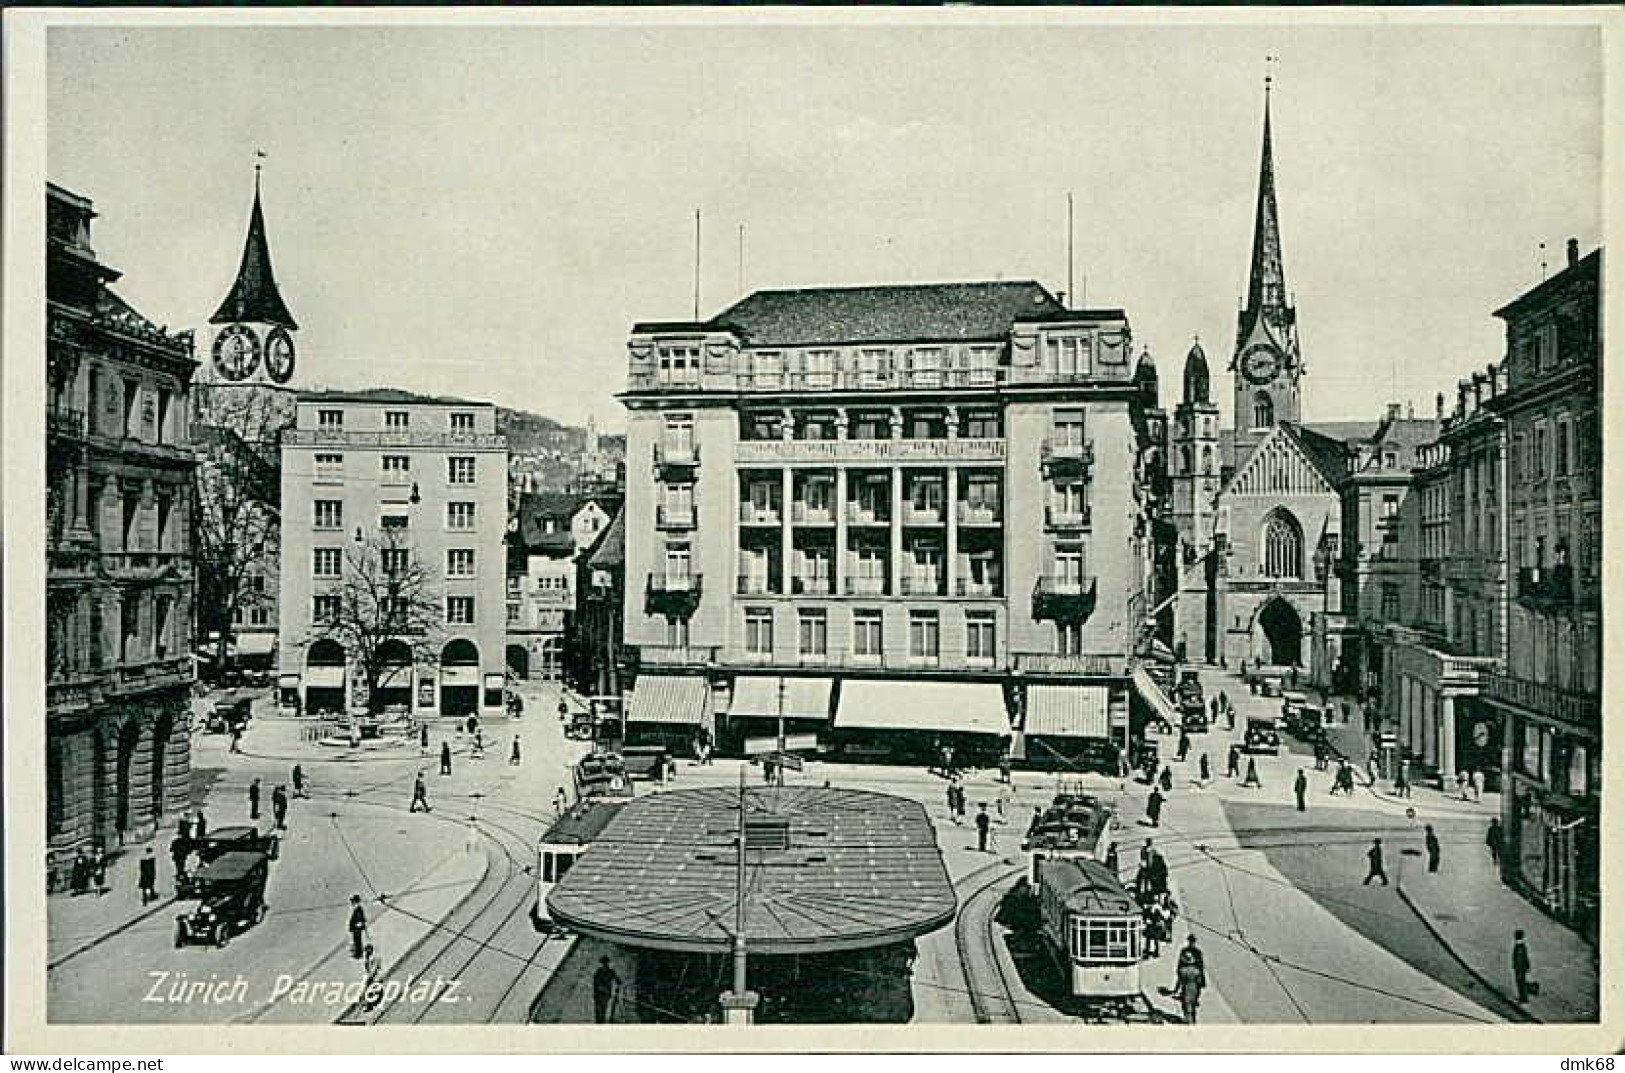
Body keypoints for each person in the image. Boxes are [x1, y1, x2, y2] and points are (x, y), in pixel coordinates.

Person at [1173, 935, 1207, 1024]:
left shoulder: (1184, 951)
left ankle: (1188, 1016)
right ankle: (1191, 1016)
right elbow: (1200, 964)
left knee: (1186, 997)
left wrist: (1179, 973)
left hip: (1186, 973)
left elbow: (1180, 963)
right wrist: (1201, 976)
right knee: (1193, 996)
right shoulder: (1197, 952)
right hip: (1194, 973)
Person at [592, 957, 622, 1024]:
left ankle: (600, 1022)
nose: (605, 965)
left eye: (606, 963)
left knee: (602, 1009)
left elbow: (618, 981)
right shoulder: (599, 972)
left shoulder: (610, 971)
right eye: (604, 963)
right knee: (599, 1011)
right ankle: (599, 1022)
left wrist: (618, 986)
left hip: (605, 994)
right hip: (600, 994)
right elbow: (595, 983)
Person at [1512, 929, 1536, 1003]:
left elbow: (1519, 959)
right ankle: (1523, 997)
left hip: (1520, 969)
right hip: (1522, 968)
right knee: (1521, 982)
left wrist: (1518, 969)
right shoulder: (1522, 945)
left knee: (1520, 983)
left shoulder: (1519, 946)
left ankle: (1523, 998)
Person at [360, 944, 383, 1013]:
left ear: (370, 950)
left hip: (375, 978)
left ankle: (374, 1006)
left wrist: (370, 977)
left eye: (367, 951)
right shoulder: (368, 958)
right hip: (371, 977)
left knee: (374, 993)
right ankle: (368, 1006)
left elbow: (374, 969)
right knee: (369, 992)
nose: (365, 953)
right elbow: (367, 968)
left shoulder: (375, 958)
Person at [348, 894, 368, 958]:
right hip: (356, 928)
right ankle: (358, 953)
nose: (352, 903)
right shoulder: (357, 908)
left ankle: (358, 954)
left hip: (357, 929)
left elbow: (359, 919)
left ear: (355, 901)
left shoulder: (358, 909)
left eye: (353, 901)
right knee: (357, 940)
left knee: (357, 941)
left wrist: (356, 926)